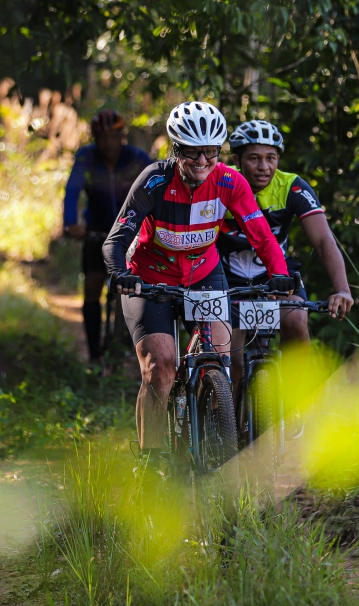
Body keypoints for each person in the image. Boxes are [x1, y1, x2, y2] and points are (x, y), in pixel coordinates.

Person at [103, 101, 294, 453]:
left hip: (203, 274)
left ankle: (216, 441)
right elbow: (115, 240)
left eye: (211, 151)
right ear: (176, 149)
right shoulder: (155, 180)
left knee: (220, 358)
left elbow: (263, 237)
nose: (203, 160)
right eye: (193, 152)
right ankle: (151, 461)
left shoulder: (229, 181)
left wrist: (279, 274)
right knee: (160, 368)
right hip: (150, 277)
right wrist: (119, 273)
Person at [218, 119, 355, 387]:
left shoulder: (292, 186)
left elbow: (324, 240)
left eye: (271, 158)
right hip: (227, 278)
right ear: (237, 160)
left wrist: (343, 289)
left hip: (276, 277)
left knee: (296, 320)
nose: (264, 166)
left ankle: (294, 397)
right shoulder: (222, 182)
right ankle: (226, 411)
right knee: (232, 359)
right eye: (254, 158)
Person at [62, 109, 153, 362]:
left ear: (122, 136)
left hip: (131, 233)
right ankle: (94, 356)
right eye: (102, 137)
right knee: (92, 286)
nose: (109, 143)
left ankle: (135, 346)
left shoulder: (136, 159)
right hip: (97, 231)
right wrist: (70, 223)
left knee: (141, 288)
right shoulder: (86, 157)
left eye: (114, 137)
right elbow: (72, 191)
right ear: (95, 138)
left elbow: (158, 183)